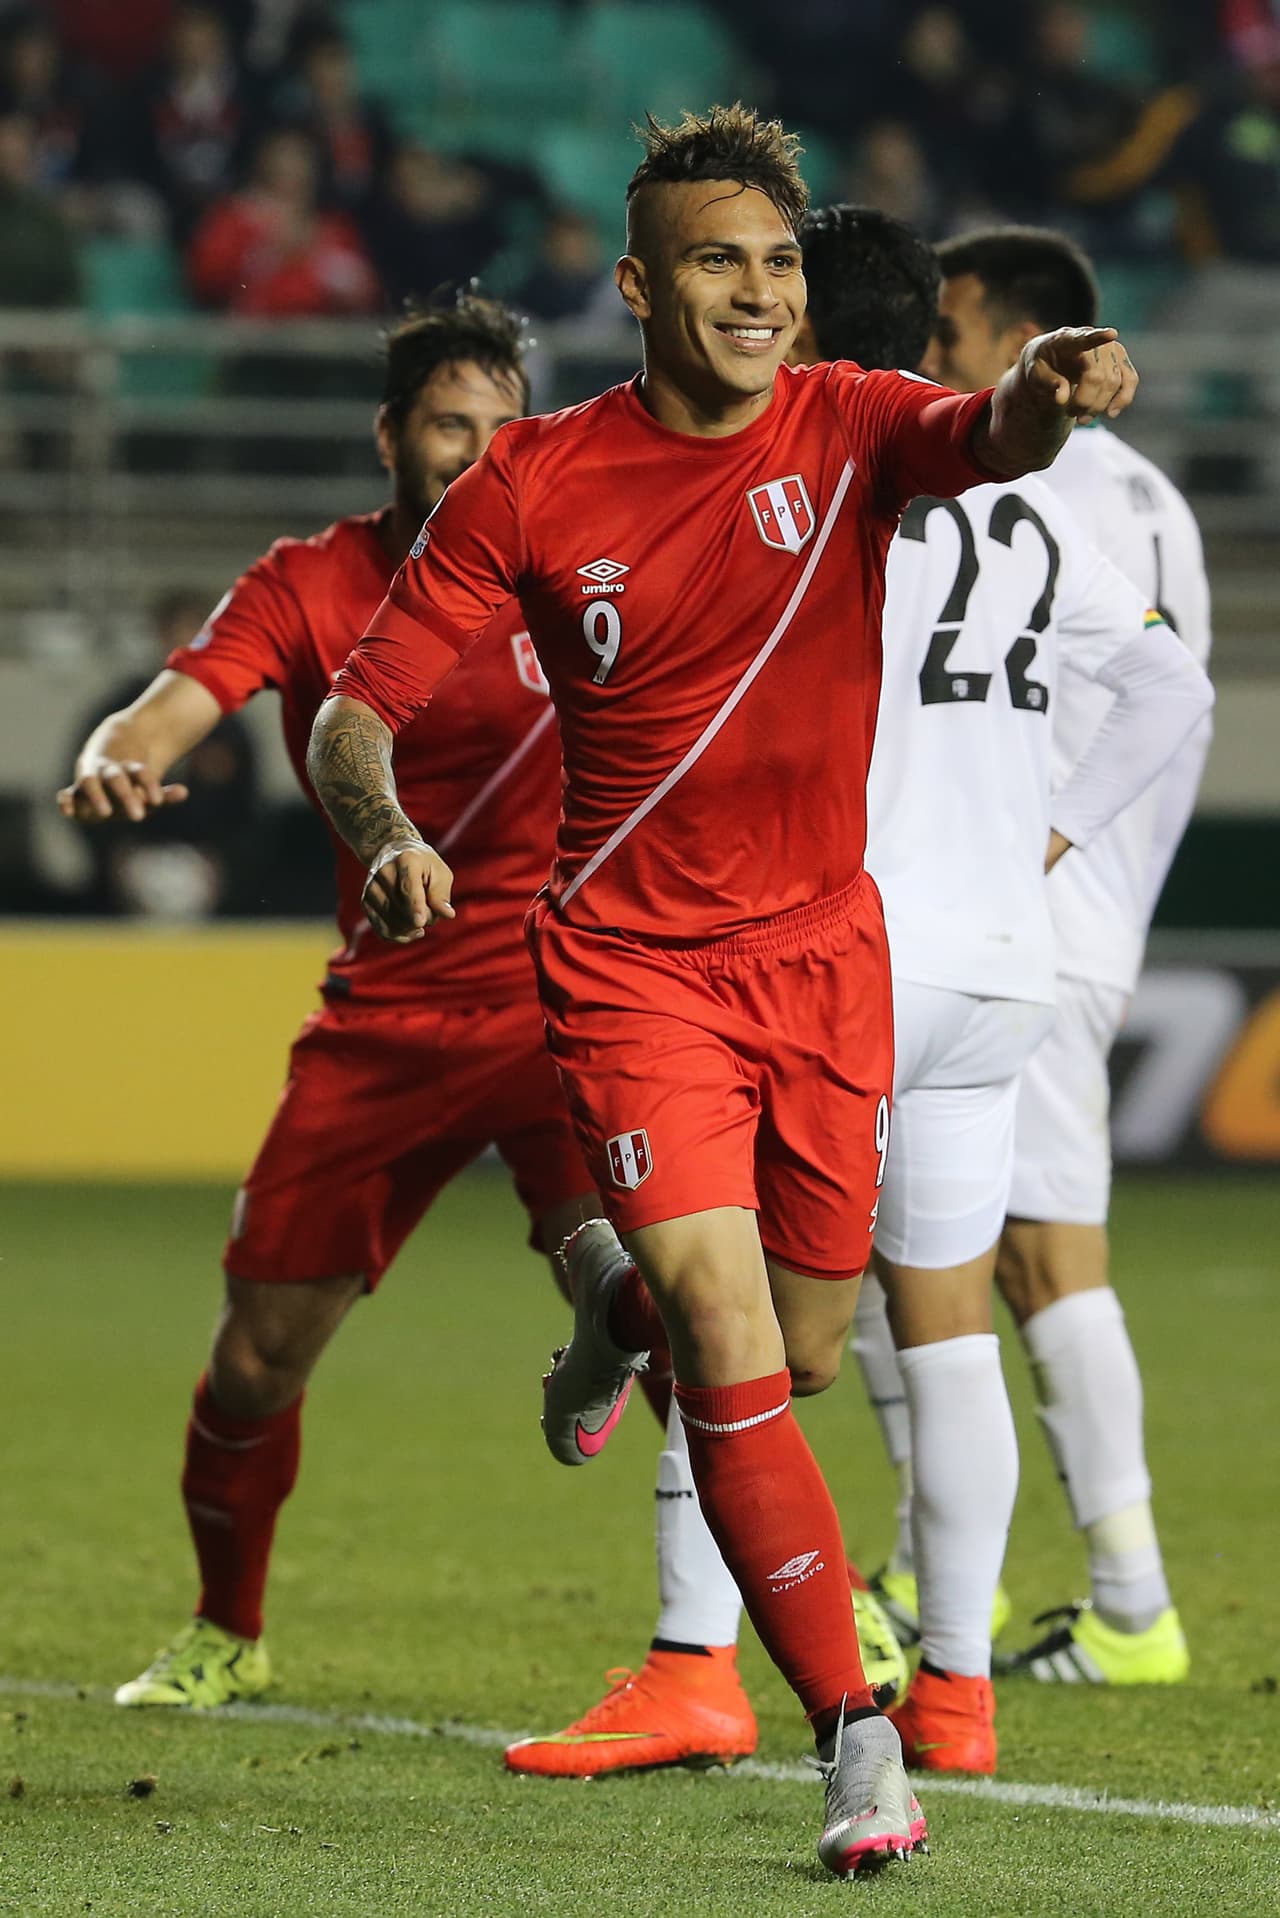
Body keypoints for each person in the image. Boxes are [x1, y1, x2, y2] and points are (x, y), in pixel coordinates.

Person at [306, 105, 1140, 1877]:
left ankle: (608, 1315)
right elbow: (354, 708)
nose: (759, 294)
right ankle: (861, 1743)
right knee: (734, 1333)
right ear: (635, 286)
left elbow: (983, 428)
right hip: (625, 969)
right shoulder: (533, 479)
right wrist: (384, 830)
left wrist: (1048, 396)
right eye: (716, 262)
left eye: (775, 262)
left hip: (828, 961)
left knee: (807, 1353)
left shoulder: (850, 424)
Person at [504, 204, 1212, 1783]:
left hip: (837, 954)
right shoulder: (1033, 514)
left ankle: (699, 1657)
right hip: (1003, 958)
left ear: (811, 333)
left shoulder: (817, 489)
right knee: (948, 1327)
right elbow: (1172, 682)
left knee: (727, 1303)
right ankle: (956, 1689)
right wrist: (1052, 838)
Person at [58, 294, 599, 1712]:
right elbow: (178, 699)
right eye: (446, 426)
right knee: (252, 1359)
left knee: (679, 1317)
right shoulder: (312, 581)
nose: (475, 454)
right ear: (390, 436)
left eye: (501, 430)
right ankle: (227, 1628)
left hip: (569, 1008)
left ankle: (757, 1625)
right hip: (387, 1024)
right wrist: (122, 752)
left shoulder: (573, 571)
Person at [855, 225, 1212, 1687]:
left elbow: (1134, 694)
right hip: (1067, 912)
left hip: (998, 899)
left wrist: (1050, 841)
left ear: (1018, 336)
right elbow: (1170, 693)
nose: (932, 349)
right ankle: (966, 1570)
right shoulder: (1156, 496)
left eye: (952, 325)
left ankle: (1117, 1596)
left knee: (1013, 1255)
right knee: (974, 1253)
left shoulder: (1033, 467)